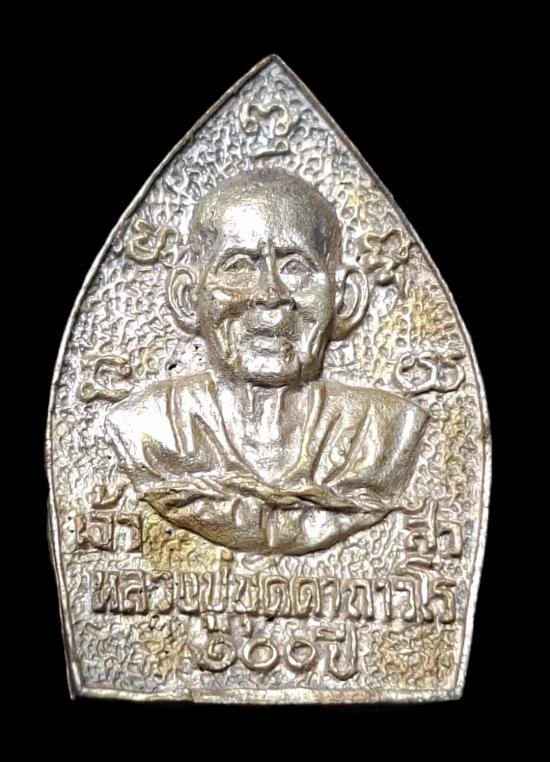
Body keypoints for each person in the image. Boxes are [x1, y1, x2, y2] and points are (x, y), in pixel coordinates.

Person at [106, 169, 428, 554]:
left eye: (295, 266)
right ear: (187, 296)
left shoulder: (388, 432)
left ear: (345, 297)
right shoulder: (145, 429)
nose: (270, 294)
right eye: (239, 266)